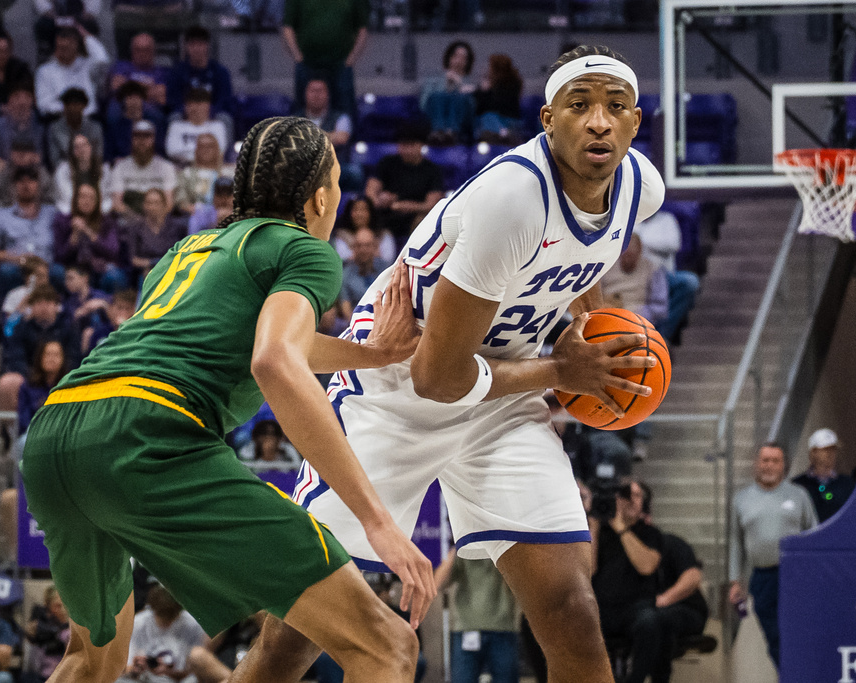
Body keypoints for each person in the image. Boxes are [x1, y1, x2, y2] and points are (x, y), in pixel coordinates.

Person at [249, 44, 664, 683]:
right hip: (400, 384)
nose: (599, 122)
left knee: (573, 612)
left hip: (504, 390)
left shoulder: (641, 188)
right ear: (548, 121)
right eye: (580, 106)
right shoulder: (512, 200)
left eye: (614, 107)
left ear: (636, 122)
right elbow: (437, 378)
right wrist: (564, 372)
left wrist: (588, 331)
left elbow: (586, 263)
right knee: (294, 639)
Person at [19, 116, 435, 683]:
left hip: (56, 434)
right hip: (147, 437)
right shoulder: (306, 251)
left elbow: (261, 339)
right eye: (337, 183)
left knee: (91, 660)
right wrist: (377, 521)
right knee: (386, 646)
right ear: (318, 198)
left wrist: (371, 354)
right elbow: (273, 360)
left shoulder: (186, 251)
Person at [729, 443, 818, 670]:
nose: (769, 465)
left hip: (796, 577)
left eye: (775, 461)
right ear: (756, 465)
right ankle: (788, 674)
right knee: (774, 637)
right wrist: (735, 581)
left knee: (799, 635)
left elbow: (814, 534)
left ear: (783, 466)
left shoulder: (799, 495)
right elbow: (736, 542)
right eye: (765, 460)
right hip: (763, 577)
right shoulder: (742, 499)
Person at [590, 479, 663, 683]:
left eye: (637, 495)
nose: (630, 500)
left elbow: (647, 566)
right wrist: (594, 525)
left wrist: (621, 527)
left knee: (650, 622)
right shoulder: (600, 533)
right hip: (601, 609)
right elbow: (588, 571)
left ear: (644, 503)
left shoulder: (650, 533)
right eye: (625, 496)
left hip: (636, 608)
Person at [434, 549, 519, 683]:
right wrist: (456, 547)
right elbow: (437, 583)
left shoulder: (505, 546)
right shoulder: (463, 550)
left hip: (503, 628)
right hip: (466, 628)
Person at [0, 165, 60, 306]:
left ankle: (61, 315)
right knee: (6, 272)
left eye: (31, 181)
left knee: (60, 273)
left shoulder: (52, 214)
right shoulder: (1, 216)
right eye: (21, 181)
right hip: (17, 266)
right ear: (14, 186)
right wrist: (14, 258)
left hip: (47, 266)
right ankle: (5, 317)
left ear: (38, 185)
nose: (26, 185)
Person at [0, 284, 81, 416]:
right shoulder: (21, 328)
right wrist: (37, 375)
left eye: (48, 302)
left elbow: (74, 358)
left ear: (56, 305)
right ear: (31, 306)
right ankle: (13, 432)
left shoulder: (69, 329)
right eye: (38, 302)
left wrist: (56, 374)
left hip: (61, 375)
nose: (43, 307)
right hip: (30, 377)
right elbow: (15, 358)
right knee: (8, 382)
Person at [123, 585, 230, 683]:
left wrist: (168, 672)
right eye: (161, 617)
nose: (166, 623)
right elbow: (126, 668)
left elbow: (196, 672)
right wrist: (136, 669)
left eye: (170, 617)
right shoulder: (139, 622)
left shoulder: (192, 623)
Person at [281, 0, 367, 117]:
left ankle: (346, 135)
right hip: (307, 63)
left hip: (341, 64)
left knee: (345, 109)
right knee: (303, 111)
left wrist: (351, 59)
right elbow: (288, 27)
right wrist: (297, 56)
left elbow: (362, 29)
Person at [364, 121, 445, 243]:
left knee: (423, 220)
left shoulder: (432, 170)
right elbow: (370, 192)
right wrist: (379, 201)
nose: (406, 150)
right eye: (403, 145)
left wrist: (406, 206)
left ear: (421, 145)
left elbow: (432, 204)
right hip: (385, 216)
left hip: (415, 218)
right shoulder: (387, 163)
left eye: (411, 145)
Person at [634, 209, 699, 344]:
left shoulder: (667, 219)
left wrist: (640, 243)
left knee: (689, 282)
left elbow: (673, 244)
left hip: (663, 274)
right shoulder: (631, 219)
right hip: (634, 275)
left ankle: (662, 334)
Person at [651, 532, 709, 683]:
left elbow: (693, 576)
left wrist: (663, 600)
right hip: (644, 613)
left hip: (685, 609)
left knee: (660, 621)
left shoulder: (670, 543)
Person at [52, 183, 127, 292]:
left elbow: (113, 251)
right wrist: (75, 234)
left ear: (97, 201)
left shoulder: (107, 222)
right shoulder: (63, 221)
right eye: (83, 197)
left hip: (100, 268)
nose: (87, 201)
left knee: (115, 276)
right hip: (73, 268)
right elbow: (59, 256)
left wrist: (87, 230)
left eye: (91, 198)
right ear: (75, 199)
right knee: (56, 271)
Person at [34, 24, 110, 119]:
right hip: (59, 119)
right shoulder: (45, 71)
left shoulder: (87, 65)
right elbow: (43, 104)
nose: (63, 51)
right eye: (61, 47)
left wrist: (86, 36)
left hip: (88, 119)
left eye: (67, 47)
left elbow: (102, 60)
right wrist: (72, 110)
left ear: (77, 45)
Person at [597, 234, 668, 327]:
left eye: (631, 256)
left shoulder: (652, 268)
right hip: (608, 314)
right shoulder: (604, 266)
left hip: (639, 319)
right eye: (624, 255)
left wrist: (642, 314)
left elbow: (660, 307)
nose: (627, 260)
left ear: (640, 252)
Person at [109, 121, 177, 218]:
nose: (142, 140)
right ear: (132, 139)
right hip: (129, 218)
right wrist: (138, 222)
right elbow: (117, 204)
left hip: (158, 219)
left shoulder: (166, 167)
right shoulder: (120, 167)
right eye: (137, 136)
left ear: (153, 139)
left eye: (146, 136)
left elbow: (169, 204)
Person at [0, 138, 56, 222]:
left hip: (37, 221)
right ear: (11, 153)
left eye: (26, 151)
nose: (21, 155)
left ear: (34, 154)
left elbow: (50, 205)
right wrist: (14, 215)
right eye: (17, 151)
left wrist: (32, 213)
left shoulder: (43, 176)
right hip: (6, 223)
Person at [166, 26, 234, 119]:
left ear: (207, 46)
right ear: (186, 47)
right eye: (192, 44)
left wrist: (209, 111)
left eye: (200, 44)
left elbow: (224, 100)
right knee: (174, 117)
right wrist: (187, 110)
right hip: (186, 114)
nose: (196, 49)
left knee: (225, 118)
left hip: (212, 115)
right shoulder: (177, 72)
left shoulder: (220, 72)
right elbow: (173, 99)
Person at [123, 188, 188, 284]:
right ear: (144, 205)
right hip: (145, 271)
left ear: (165, 205)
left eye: (157, 203)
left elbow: (183, 254)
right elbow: (134, 260)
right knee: (149, 275)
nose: (152, 207)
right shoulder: (135, 228)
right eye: (149, 203)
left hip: (172, 268)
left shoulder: (177, 227)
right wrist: (152, 263)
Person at [791, 428, 855, 523]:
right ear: (813, 453)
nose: (830, 454)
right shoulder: (798, 484)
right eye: (825, 450)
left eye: (833, 449)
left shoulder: (847, 483)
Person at [420, 40, 476, 146]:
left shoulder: (471, 84)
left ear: (468, 62)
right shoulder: (433, 81)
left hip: (463, 125)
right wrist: (445, 85)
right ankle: (439, 132)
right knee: (438, 96)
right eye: (456, 56)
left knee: (459, 98)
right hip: (433, 121)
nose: (459, 61)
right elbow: (423, 104)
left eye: (463, 58)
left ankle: (451, 132)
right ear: (449, 58)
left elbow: (473, 109)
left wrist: (460, 85)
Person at [0, 84, 45, 171]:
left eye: (27, 97)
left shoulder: (39, 125)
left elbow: (39, 158)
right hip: (4, 170)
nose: (22, 102)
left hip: (31, 172)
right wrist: (13, 167)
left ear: (33, 100)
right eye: (17, 96)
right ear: (9, 100)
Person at [106, 80, 168, 162]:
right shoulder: (115, 126)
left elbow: (161, 150)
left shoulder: (154, 123)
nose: (134, 101)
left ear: (142, 99)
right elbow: (109, 154)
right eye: (130, 97)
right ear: (123, 100)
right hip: (124, 166)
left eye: (137, 97)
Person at [165, 89, 229, 166]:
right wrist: (203, 155)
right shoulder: (176, 126)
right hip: (181, 166)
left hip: (211, 166)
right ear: (186, 107)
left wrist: (187, 152)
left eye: (199, 104)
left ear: (207, 106)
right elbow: (171, 151)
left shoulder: (217, 126)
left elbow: (220, 150)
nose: (196, 109)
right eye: (191, 105)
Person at [54, 133, 113, 214]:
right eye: (77, 147)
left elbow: (105, 197)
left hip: (99, 211)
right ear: (72, 151)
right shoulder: (63, 170)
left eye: (84, 145)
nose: (81, 149)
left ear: (91, 147)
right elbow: (66, 197)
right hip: (70, 211)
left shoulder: (104, 169)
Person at [46, 87, 105, 169]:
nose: (72, 108)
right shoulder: (54, 128)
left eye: (76, 104)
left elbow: (98, 156)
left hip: (91, 170)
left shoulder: (95, 128)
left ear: (84, 106)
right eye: (69, 104)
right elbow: (55, 160)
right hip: (65, 171)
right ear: (64, 107)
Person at [22, 586, 71, 683]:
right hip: (39, 677)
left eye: (66, 605)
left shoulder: (71, 630)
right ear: (47, 607)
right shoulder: (38, 626)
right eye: (58, 606)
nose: (63, 610)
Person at [108, 32, 168, 110]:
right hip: (123, 107)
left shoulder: (161, 72)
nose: (142, 53)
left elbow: (161, 99)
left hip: (150, 109)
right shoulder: (121, 66)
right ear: (132, 51)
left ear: (153, 51)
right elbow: (116, 87)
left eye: (146, 50)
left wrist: (128, 85)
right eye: (137, 49)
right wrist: (148, 88)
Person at [338, 227, 386, 323]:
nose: (363, 250)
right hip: (357, 323)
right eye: (359, 246)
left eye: (367, 245)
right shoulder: (345, 274)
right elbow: (346, 308)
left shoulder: (386, 270)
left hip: (384, 320)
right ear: (353, 248)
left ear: (374, 246)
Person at [332, 195, 396, 265]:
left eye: (364, 210)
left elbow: (388, 260)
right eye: (356, 210)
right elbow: (341, 260)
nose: (360, 214)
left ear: (371, 212)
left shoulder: (383, 235)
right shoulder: (341, 235)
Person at [474, 54, 523, 144]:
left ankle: (502, 133)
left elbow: (496, 106)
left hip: (507, 119)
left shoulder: (511, 86)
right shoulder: (486, 86)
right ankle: (498, 134)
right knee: (486, 118)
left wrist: (487, 92)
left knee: (489, 116)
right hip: (490, 119)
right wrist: (480, 91)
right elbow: (479, 109)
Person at [33, 0, 101, 62]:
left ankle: (87, 54)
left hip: (79, 18)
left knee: (91, 26)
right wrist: (55, 16)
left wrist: (79, 18)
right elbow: (42, 6)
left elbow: (92, 9)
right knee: (43, 26)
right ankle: (47, 53)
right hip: (54, 17)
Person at [80, 288, 137, 353]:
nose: (123, 312)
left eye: (127, 309)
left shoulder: (136, 334)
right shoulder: (100, 333)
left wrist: (122, 329)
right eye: (120, 308)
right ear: (111, 308)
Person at [238, 418, 302, 471]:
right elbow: (243, 470)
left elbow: (298, 468)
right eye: (264, 434)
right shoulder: (247, 451)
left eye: (273, 435)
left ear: (280, 438)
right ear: (255, 437)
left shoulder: (288, 449)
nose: (268, 438)